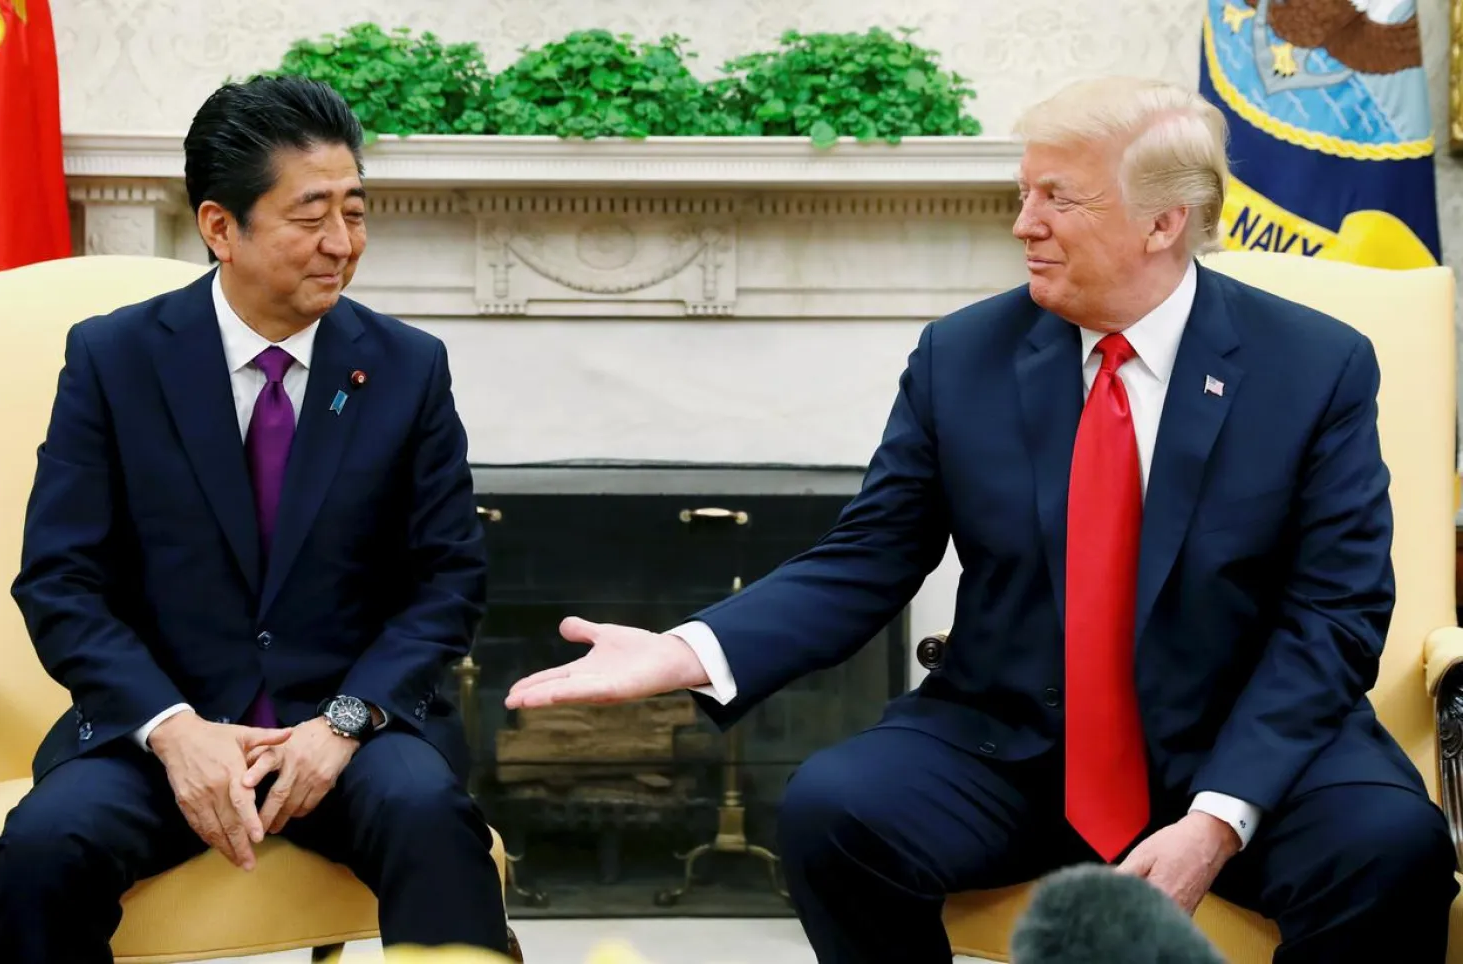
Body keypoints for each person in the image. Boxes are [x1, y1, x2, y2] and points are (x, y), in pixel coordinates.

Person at [506, 76, 1458, 963]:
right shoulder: (962, 357)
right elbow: (869, 557)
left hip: (1248, 744)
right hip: (1018, 744)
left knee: (1391, 848)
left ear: (1164, 221)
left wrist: (1216, 819)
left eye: (1056, 198)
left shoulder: (1314, 368)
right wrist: (687, 652)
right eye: (1022, 192)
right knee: (835, 811)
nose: (1022, 225)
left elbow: (1334, 616)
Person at [0, 75, 511, 961]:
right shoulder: (115, 359)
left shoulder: (407, 367)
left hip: (348, 731)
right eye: (311, 216)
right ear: (221, 228)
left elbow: (448, 580)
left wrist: (342, 724)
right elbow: (61, 580)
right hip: (157, 733)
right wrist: (173, 729)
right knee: (44, 851)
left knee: (432, 822)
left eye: (355, 210)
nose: (341, 244)